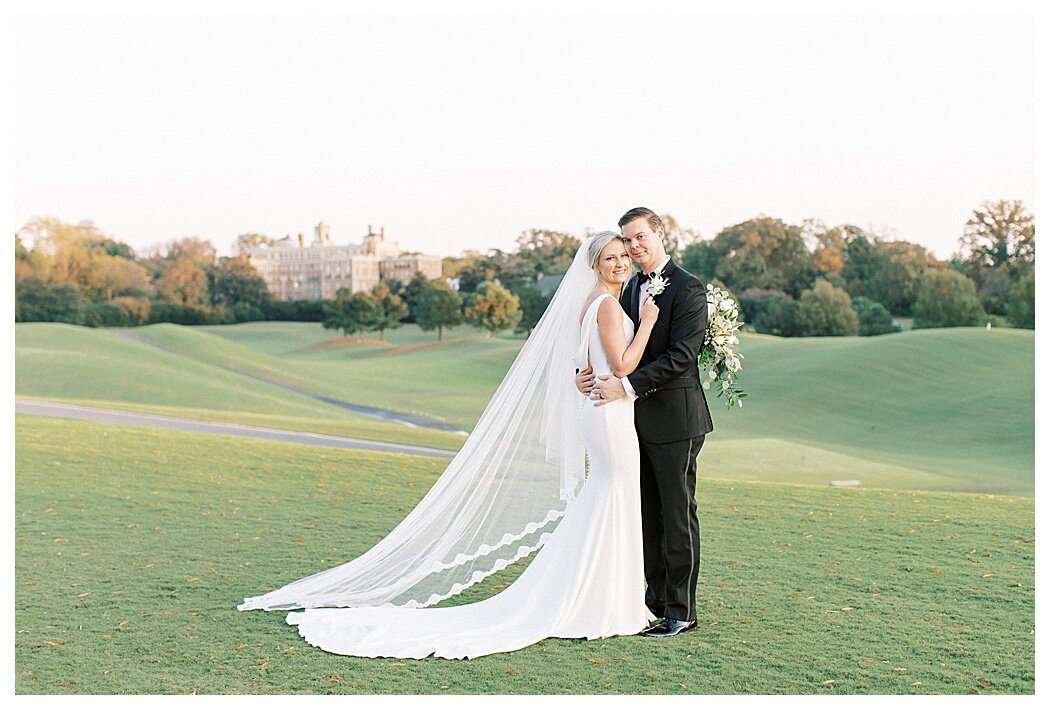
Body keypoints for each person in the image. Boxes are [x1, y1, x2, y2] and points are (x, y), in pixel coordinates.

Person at [238, 232, 662, 659]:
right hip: (610, 418)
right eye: (610, 257)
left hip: (601, 413)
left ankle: (601, 599)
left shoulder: (590, 303)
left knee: (605, 500)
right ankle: (602, 603)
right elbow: (624, 365)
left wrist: (581, 375)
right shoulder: (608, 306)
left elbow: (587, 366)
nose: (620, 263)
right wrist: (646, 323)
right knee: (614, 496)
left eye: (623, 256)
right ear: (594, 264)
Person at [578, 207, 713, 637]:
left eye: (639, 238)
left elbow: (681, 357)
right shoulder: (628, 286)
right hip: (632, 421)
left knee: (676, 514)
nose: (633, 247)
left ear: (658, 233)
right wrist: (582, 373)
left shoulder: (689, 289)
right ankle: (653, 603)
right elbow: (609, 341)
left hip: (676, 419)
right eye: (627, 241)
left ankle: (681, 611)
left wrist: (628, 386)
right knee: (648, 515)